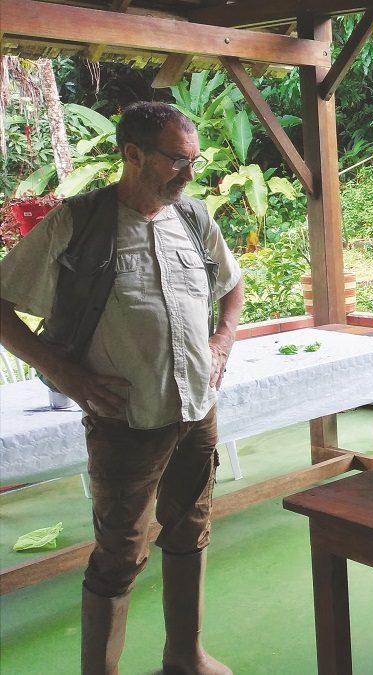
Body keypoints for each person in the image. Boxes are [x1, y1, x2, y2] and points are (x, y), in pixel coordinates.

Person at [0, 101, 244, 675]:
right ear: (132, 155)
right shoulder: (77, 223)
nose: (191, 173)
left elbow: (231, 289)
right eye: (178, 161)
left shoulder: (193, 219)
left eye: (194, 159)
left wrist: (222, 342)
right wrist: (65, 374)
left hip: (195, 411)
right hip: (125, 420)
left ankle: (185, 656)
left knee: (190, 528)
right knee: (120, 553)